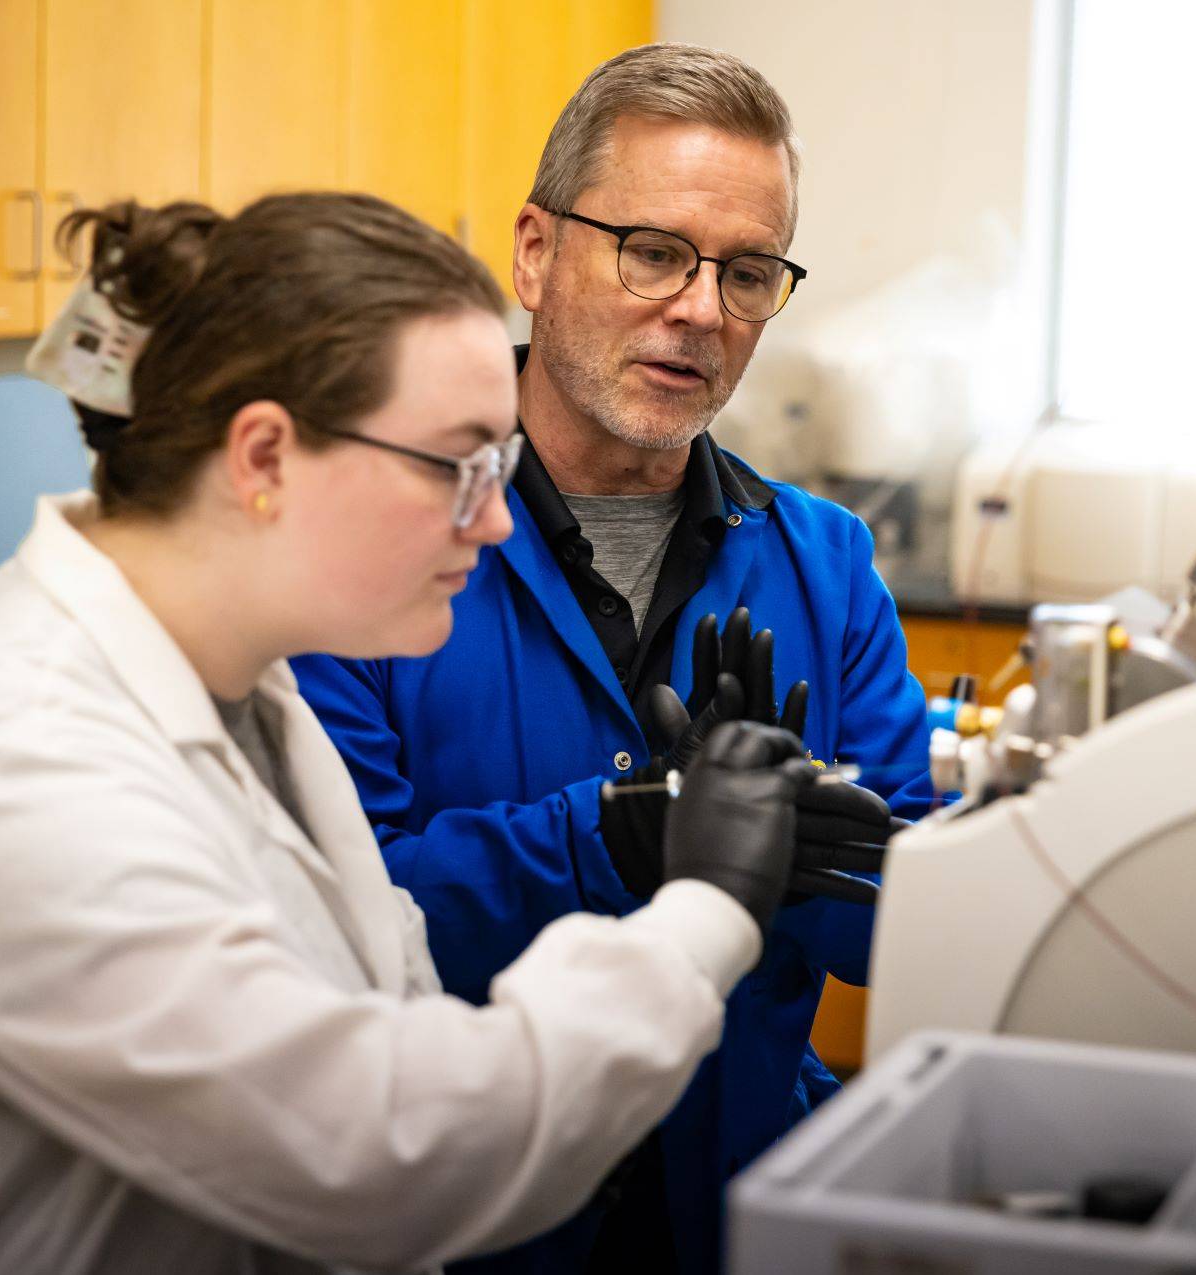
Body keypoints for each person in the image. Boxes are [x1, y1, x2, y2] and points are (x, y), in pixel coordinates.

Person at [0, 193, 824, 1275]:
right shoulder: (12, 773)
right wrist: (706, 909)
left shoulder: (246, 692)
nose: (497, 520)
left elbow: (384, 989)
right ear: (263, 457)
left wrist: (628, 836)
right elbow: (387, 1153)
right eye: (457, 466)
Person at [293, 43, 936, 1275]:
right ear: (536, 253)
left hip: (736, 1211)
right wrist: (617, 834)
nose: (699, 309)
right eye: (652, 252)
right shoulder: (383, 542)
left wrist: (798, 849)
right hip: (466, 1219)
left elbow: (906, 934)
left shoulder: (824, 562)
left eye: (747, 273)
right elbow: (338, 929)